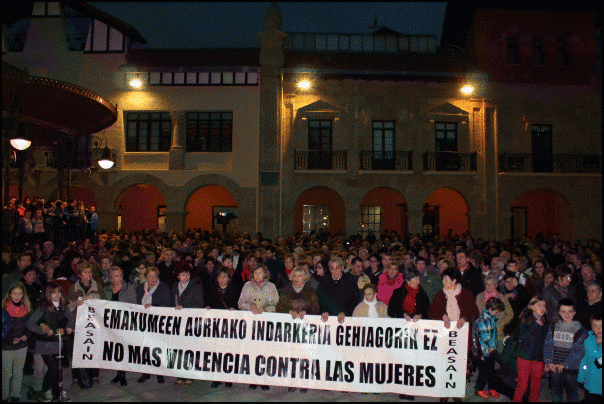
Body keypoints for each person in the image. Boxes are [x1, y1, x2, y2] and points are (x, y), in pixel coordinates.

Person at [26, 283, 74, 402]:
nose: (57, 295)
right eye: (53, 292)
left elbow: (70, 319)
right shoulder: (43, 307)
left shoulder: (63, 306)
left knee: (57, 369)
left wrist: (67, 327)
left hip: (57, 342)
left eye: (59, 292)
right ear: (49, 294)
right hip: (44, 343)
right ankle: (44, 391)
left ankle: (56, 393)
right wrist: (43, 330)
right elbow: (30, 324)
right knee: (53, 368)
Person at [276, 267, 320, 393]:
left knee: (305, 354)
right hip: (290, 328)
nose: (297, 278)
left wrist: (307, 312)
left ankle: (304, 380)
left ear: (304, 278)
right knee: (292, 354)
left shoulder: (310, 290)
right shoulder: (286, 290)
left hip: (306, 326)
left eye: (300, 276)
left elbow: (316, 307)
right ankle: (293, 380)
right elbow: (279, 307)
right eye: (295, 276)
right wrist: (288, 311)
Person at [238, 264, 278, 390]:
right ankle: (253, 378)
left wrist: (264, 309)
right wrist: (251, 307)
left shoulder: (271, 287)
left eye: (260, 273)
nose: (258, 275)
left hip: (266, 322)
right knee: (253, 350)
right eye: (255, 273)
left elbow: (276, 303)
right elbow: (240, 303)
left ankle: (264, 378)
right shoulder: (247, 286)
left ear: (265, 273)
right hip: (251, 323)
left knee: (265, 351)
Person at [66, 261, 105, 386]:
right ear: (79, 275)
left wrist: (91, 297)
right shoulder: (73, 288)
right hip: (78, 323)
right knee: (77, 350)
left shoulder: (97, 286)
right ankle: (76, 377)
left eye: (90, 272)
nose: (89, 274)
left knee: (93, 348)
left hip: (93, 323)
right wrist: (74, 304)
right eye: (85, 272)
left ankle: (94, 375)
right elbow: (66, 305)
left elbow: (104, 302)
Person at [543, 298, 587, 402]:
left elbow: (578, 351)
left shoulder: (580, 330)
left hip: (571, 369)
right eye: (563, 311)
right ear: (558, 312)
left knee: (572, 393)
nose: (567, 315)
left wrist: (565, 364)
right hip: (555, 367)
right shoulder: (554, 327)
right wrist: (548, 362)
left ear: (574, 312)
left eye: (570, 312)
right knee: (556, 392)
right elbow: (548, 345)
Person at [135, 267, 171, 384]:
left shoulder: (164, 287)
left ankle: (159, 372)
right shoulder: (140, 288)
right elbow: (136, 303)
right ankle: (146, 372)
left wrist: (153, 307)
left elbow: (167, 304)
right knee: (145, 347)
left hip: (158, 321)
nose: (153, 278)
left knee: (158, 347)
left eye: (155, 276)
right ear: (146, 277)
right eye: (150, 276)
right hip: (144, 321)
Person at [171, 262, 204, 387]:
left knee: (189, 348)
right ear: (178, 276)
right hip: (178, 322)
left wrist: (184, 307)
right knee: (178, 348)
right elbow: (171, 302)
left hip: (191, 322)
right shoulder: (175, 286)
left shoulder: (195, 287)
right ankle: (180, 374)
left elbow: (200, 304)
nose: (186, 276)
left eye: (188, 274)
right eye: (183, 274)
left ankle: (190, 374)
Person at [103, 266, 137, 386]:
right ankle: (119, 372)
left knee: (123, 348)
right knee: (114, 348)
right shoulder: (106, 289)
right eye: (116, 276)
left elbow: (133, 305)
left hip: (124, 322)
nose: (119, 278)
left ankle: (122, 374)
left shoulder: (129, 288)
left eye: (120, 275)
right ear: (111, 278)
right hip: (110, 323)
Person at [513, 296, 549, 402]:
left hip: (538, 358)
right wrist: (535, 325)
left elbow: (546, 343)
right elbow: (520, 338)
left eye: (544, 306)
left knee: (536, 386)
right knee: (522, 386)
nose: (542, 308)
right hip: (524, 357)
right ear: (532, 307)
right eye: (539, 305)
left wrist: (547, 360)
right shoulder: (525, 319)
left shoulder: (546, 322)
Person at [2, 283, 32, 402]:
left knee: (18, 371)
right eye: (14, 293)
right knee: (6, 373)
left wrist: (26, 335)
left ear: (23, 295)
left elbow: (29, 326)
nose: (17, 296)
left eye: (20, 294)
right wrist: (10, 339)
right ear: (10, 294)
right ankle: (4, 396)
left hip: (22, 345)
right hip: (7, 346)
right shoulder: (4, 309)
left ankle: (15, 394)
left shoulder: (26, 309)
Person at [474, 297, 505, 399]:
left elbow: (493, 334)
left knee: (491, 370)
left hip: (491, 349)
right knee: (485, 371)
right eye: (496, 312)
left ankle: (492, 387)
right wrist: (492, 346)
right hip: (484, 350)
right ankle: (478, 389)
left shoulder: (491, 318)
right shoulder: (482, 320)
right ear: (490, 309)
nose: (497, 314)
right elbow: (485, 337)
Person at [318, 257, 361, 324]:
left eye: (337, 268)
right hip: (328, 319)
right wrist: (324, 310)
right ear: (329, 269)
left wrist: (345, 313)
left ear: (342, 268)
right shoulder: (324, 282)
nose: (335, 271)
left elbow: (355, 302)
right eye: (332, 268)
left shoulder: (350, 282)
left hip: (346, 319)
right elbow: (321, 300)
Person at [475, 275, 514, 351]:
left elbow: (510, 314)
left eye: (491, 284)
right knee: (485, 355)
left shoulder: (501, 297)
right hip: (483, 332)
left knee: (498, 355)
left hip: (498, 333)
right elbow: (476, 313)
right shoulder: (479, 296)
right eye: (487, 284)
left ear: (495, 285)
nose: (489, 286)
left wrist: (501, 324)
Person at [578, 313, 602, 402]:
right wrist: (581, 376)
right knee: (590, 398)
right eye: (595, 326)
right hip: (590, 380)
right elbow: (584, 360)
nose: (599, 329)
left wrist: (597, 362)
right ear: (591, 327)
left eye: (601, 326)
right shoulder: (588, 340)